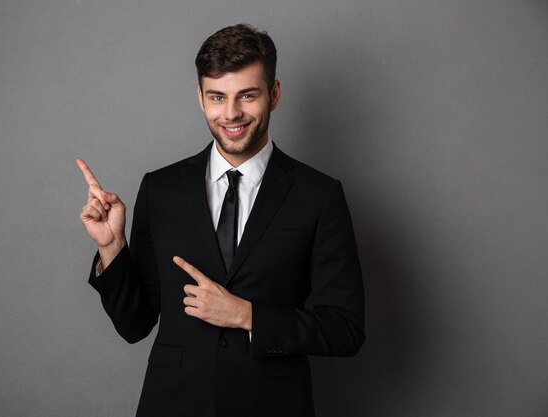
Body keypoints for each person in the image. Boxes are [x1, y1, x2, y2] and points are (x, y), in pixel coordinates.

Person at [77, 23, 364, 417]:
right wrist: (111, 248)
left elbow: (344, 329)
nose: (231, 114)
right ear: (201, 98)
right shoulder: (160, 189)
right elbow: (134, 325)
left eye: (247, 95)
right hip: (174, 404)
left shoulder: (319, 195)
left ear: (274, 94)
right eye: (217, 97)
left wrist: (247, 316)